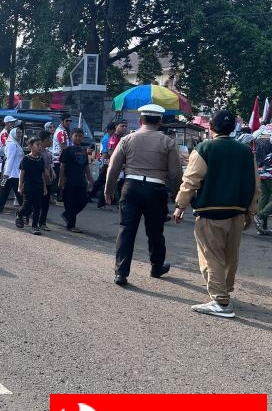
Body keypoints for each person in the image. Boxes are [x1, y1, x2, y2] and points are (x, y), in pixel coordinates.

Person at [172, 110, 261, 318]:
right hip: (238, 212)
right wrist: (251, 211)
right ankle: (225, 291)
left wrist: (180, 205)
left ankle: (220, 301)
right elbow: (256, 185)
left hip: (209, 211)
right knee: (231, 256)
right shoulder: (246, 152)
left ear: (211, 127)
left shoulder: (205, 148)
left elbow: (191, 180)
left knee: (211, 256)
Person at [106, 104, 182, 286]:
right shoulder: (168, 142)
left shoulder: (127, 139)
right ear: (160, 122)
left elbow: (113, 168)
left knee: (126, 229)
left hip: (131, 187)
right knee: (155, 231)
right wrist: (178, 198)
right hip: (156, 190)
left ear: (141, 120)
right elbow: (175, 174)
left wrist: (108, 190)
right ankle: (156, 267)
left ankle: (121, 273)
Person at [58, 128, 93, 232]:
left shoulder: (83, 150)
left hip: (81, 181)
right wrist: (61, 179)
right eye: (76, 136)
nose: (78, 138)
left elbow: (86, 167)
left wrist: (90, 180)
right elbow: (62, 166)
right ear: (71, 136)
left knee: (84, 200)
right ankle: (71, 225)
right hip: (69, 181)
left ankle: (67, 215)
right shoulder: (67, 150)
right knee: (70, 202)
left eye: (80, 136)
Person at [17, 137, 48, 235]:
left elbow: (42, 174)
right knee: (27, 205)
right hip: (28, 186)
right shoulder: (26, 159)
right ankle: (19, 214)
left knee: (38, 207)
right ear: (31, 146)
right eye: (37, 145)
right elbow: (22, 174)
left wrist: (44, 186)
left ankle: (35, 226)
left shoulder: (40, 159)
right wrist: (20, 186)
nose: (40, 147)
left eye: (41, 145)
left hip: (38, 186)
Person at [0, 127, 24, 213]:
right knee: (18, 192)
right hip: (12, 173)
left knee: (5, 191)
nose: (20, 134)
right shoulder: (12, 144)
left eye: (20, 133)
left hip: (13, 172)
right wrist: (6, 173)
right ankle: (26, 209)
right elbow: (10, 159)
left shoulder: (15, 143)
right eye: (18, 133)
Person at [253, 130, 272, 234]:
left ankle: (262, 228)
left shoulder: (261, 133)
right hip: (270, 172)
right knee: (265, 197)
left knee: (264, 196)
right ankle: (260, 217)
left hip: (260, 171)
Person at [52, 113, 73, 200]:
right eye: (67, 121)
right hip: (60, 159)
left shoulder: (63, 130)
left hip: (60, 159)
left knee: (60, 178)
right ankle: (59, 196)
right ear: (62, 121)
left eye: (70, 121)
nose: (69, 122)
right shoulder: (61, 132)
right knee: (61, 178)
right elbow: (64, 147)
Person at [37, 129, 54, 231]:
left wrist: (52, 170)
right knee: (36, 203)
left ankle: (42, 222)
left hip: (48, 181)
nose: (51, 140)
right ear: (45, 140)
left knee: (45, 203)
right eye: (49, 139)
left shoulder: (47, 152)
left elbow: (49, 164)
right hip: (39, 181)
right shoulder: (38, 152)